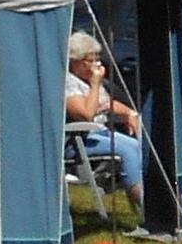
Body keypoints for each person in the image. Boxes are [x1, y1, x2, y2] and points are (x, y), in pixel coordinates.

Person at [65, 30, 152, 203]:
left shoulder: (86, 80)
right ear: (76, 62)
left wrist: (129, 113)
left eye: (98, 59)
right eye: (91, 60)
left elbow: (106, 103)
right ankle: (146, 203)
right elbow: (86, 114)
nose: (97, 65)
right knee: (129, 150)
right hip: (78, 140)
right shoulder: (67, 83)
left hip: (100, 134)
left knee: (143, 145)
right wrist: (96, 83)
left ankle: (157, 195)